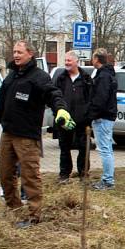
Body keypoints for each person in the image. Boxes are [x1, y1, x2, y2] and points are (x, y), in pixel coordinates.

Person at [0, 40, 72, 228]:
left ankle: (34, 216)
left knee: (29, 176)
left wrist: (61, 109)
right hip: (7, 133)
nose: (16, 55)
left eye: (20, 52)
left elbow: (53, 94)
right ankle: (15, 210)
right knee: (5, 174)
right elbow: (1, 103)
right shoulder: (11, 76)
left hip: (27, 136)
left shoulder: (38, 77)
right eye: (14, 52)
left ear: (30, 54)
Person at [54, 51, 93, 183]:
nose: (66, 63)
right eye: (65, 60)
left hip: (83, 120)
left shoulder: (86, 79)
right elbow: (55, 97)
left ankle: (83, 174)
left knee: (83, 148)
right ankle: (64, 174)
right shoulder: (60, 79)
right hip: (65, 121)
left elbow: (91, 98)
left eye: (69, 60)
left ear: (76, 61)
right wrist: (58, 114)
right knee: (64, 148)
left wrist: (89, 115)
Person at [87, 48, 118, 190]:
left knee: (105, 149)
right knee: (107, 149)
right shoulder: (107, 74)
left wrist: (91, 115)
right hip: (106, 116)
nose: (91, 60)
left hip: (103, 117)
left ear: (97, 59)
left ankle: (107, 180)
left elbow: (100, 99)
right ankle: (107, 178)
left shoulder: (103, 76)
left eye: (93, 58)